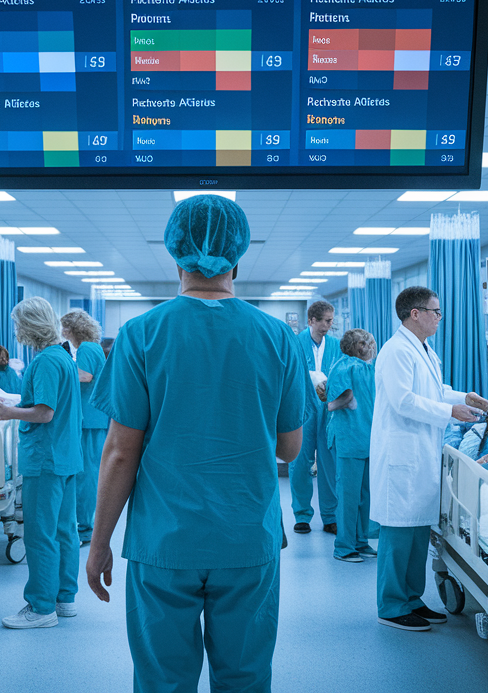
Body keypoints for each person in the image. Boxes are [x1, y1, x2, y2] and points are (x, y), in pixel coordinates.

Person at [86, 194, 306, 693]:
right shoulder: (277, 337)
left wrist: (100, 543)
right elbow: (289, 450)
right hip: (246, 538)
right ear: (238, 254)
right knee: (245, 677)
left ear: (175, 253)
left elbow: (121, 451)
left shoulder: (140, 335)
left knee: (163, 679)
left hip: (164, 541)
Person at [372, 286, 488, 632]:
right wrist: (449, 410)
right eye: (436, 312)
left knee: (417, 531)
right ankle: (391, 605)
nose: (440, 318)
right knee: (398, 531)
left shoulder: (424, 350)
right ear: (416, 313)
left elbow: (433, 391)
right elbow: (403, 400)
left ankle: (411, 598)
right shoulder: (396, 351)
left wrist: (462, 396)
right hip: (401, 452)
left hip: (421, 452)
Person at [0, 297, 82, 629]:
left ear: (30, 325)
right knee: (64, 531)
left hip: (46, 460)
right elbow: (44, 404)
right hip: (64, 458)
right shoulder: (62, 357)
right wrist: (11, 403)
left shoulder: (46, 361)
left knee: (39, 534)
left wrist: (8, 411)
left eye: (17, 324)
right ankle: (63, 599)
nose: (15, 331)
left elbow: (44, 412)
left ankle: (40, 607)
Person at [326, 328, 378, 562]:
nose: (373, 349)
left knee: (363, 495)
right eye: (370, 345)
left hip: (366, 438)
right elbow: (343, 398)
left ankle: (360, 541)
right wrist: (330, 405)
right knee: (349, 496)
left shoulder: (367, 368)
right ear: (360, 345)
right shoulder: (345, 366)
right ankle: (344, 547)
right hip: (349, 439)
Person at [290, 300, 342, 535]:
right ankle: (302, 515)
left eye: (330, 320)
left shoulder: (336, 345)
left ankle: (330, 516)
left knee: (329, 463)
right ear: (311, 321)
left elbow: (342, 372)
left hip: (330, 410)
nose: (328, 325)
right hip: (303, 409)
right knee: (300, 461)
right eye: (324, 321)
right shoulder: (295, 342)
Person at [61, 309, 108, 546]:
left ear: (72, 329)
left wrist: (60, 368)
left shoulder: (88, 348)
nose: (62, 331)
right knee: (86, 474)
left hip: (91, 420)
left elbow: (84, 376)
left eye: (64, 327)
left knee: (86, 475)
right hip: (92, 419)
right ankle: (83, 525)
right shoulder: (91, 348)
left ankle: (85, 528)